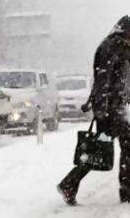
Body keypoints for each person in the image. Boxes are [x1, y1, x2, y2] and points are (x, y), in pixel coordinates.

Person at [57, 15, 130, 206]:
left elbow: (121, 80)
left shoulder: (121, 48)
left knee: (100, 151)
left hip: (115, 107)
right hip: (110, 109)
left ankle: (70, 184)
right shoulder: (111, 48)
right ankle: (126, 191)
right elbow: (103, 80)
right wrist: (102, 111)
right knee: (106, 150)